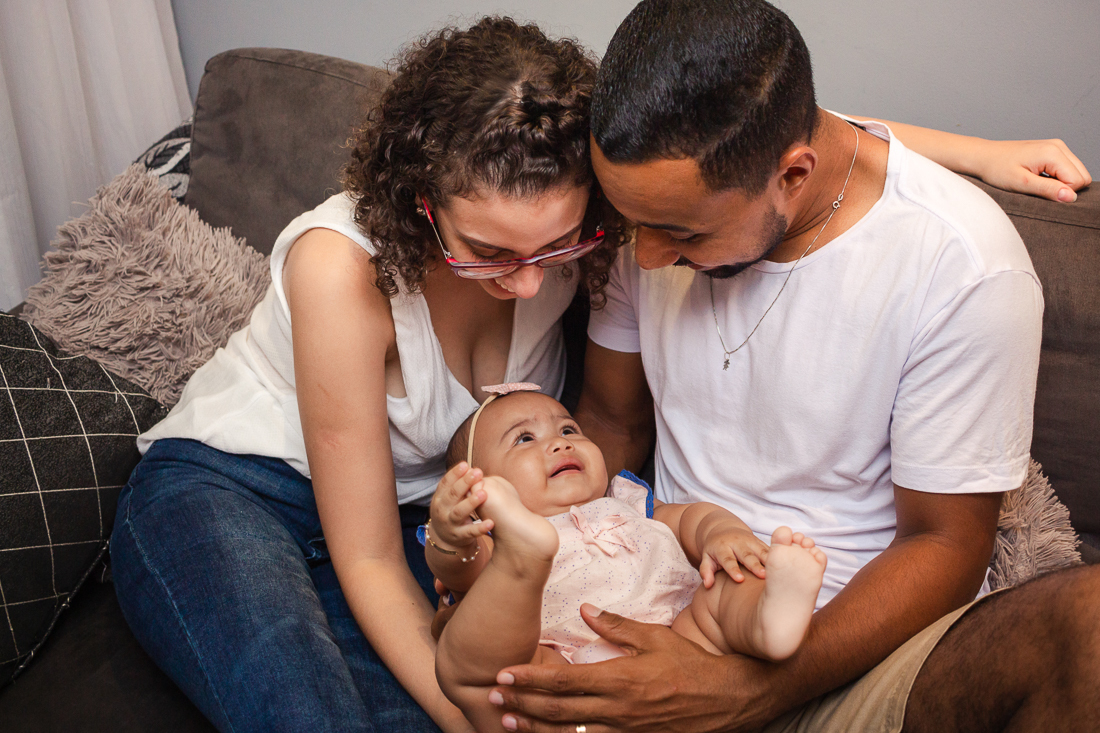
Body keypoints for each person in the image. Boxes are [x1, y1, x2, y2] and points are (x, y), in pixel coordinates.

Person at [107, 10, 1090, 733]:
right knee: (307, 707)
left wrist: (967, 156)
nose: (535, 281)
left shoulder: (604, 219)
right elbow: (368, 557)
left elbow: (752, 135)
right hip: (245, 490)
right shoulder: (353, 267)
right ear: (420, 208)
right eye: (485, 253)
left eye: (569, 243)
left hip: (446, 520)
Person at [485, 2, 1099, 732]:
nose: (644, 258)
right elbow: (610, 424)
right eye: (634, 226)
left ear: (793, 174)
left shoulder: (961, 268)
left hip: (851, 649)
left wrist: (747, 691)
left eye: (680, 233)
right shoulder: (667, 188)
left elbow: (944, 544)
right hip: (667, 593)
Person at [429, 387, 827, 732]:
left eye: (569, 429)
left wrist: (722, 534)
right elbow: (458, 573)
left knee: (725, 581)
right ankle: (526, 561)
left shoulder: (629, 502)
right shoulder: (491, 537)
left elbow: (693, 517)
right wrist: (450, 538)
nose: (560, 443)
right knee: (486, 663)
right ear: (478, 498)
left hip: (685, 642)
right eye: (524, 439)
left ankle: (768, 622)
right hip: (565, 667)